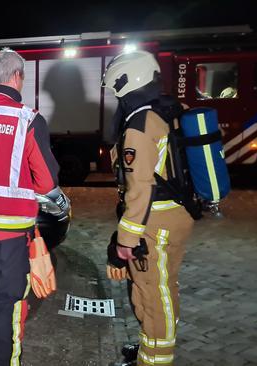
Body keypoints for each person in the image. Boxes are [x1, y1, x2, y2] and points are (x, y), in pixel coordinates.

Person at [0, 49, 69, 366]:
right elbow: (46, 182)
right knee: (7, 304)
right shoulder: (27, 119)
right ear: (18, 77)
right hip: (12, 235)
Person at [102, 50, 194, 366]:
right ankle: (148, 349)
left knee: (154, 295)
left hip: (155, 223)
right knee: (156, 288)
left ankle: (154, 360)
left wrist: (124, 242)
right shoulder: (169, 110)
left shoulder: (140, 124)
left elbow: (140, 188)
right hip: (171, 215)